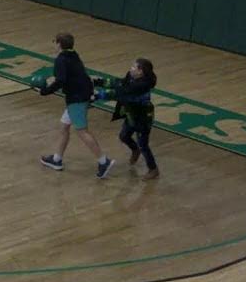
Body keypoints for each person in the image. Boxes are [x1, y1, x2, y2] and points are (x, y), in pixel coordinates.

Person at [37, 32, 114, 179]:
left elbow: (60, 80)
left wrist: (45, 91)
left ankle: (103, 161)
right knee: (64, 126)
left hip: (76, 98)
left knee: (82, 131)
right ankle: (57, 160)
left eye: (55, 42)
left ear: (59, 43)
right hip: (83, 93)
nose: (54, 44)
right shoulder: (74, 55)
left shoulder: (61, 59)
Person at [94, 59, 160, 180]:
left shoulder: (142, 85)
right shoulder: (130, 76)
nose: (131, 69)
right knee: (124, 136)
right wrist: (99, 82)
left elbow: (120, 92)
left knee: (143, 145)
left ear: (141, 71)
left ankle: (153, 169)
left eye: (134, 67)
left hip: (143, 118)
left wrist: (98, 95)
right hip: (131, 114)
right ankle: (135, 150)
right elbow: (120, 83)